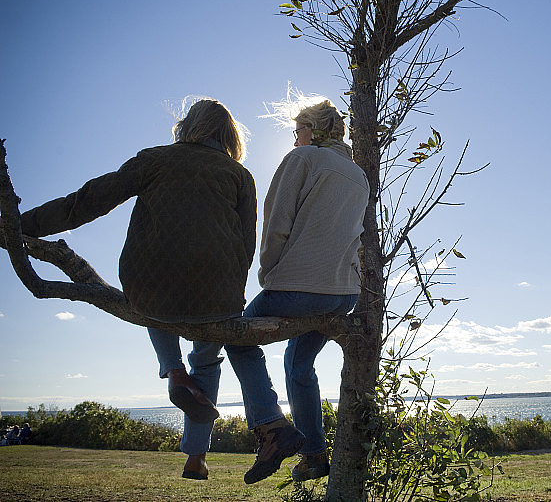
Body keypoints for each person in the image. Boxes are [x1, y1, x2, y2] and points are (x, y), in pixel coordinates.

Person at [9, 98, 257, 477]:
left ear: (187, 127)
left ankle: (173, 372)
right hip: (217, 293)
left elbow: (87, 201)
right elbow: (246, 244)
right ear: (228, 135)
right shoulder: (241, 176)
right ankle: (196, 457)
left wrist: (19, 226)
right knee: (207, 359)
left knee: (154, 290)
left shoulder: (154, 159)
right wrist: (231, 296)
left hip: (150, 286)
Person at [187, 98, 369, 484]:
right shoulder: (358, 176)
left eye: (298, 130)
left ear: (314, 131)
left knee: (234, 336)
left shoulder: (301, 160)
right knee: (299, 364)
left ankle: (271, 428)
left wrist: (268, 272)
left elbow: (276, 222)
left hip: (298, 289)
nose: (294, 138)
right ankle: (315, 456)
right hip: (343, 294)